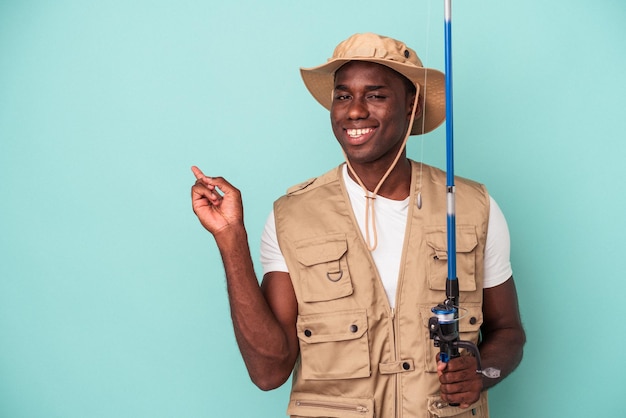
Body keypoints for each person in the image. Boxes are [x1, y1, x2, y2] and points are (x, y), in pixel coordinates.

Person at [191, 32, 525, 418]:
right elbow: (269, 371)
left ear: (412, 105)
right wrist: (231, 238)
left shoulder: (471, 207)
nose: (354, 111)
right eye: (343, 95)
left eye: (376, 95)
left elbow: (509, 333)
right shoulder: (291, 216)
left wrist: (481, 371)